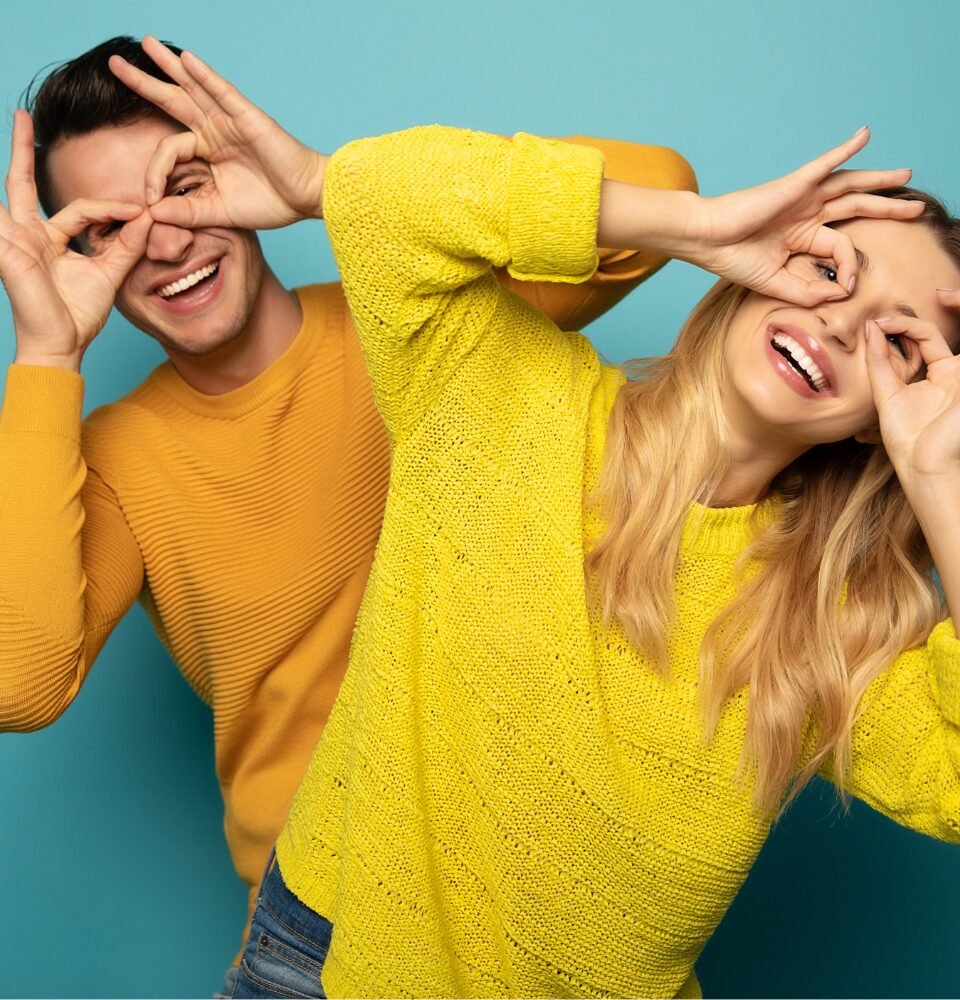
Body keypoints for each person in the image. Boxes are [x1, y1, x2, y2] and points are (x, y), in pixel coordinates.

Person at [45, 46, 960, 1000]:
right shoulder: (500, 389)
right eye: (833, 270)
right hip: (328, 967)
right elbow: (394, 208)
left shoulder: (828, 620)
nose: (841, 323)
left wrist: (937, 477)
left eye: (897, 338)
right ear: (767, 261)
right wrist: (697, 225)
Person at [0, 35, 698, 990]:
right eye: (106, 229)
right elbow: (18, 684)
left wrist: (332, 185)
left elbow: (656, 192)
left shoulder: (422, 311)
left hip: (556, 897)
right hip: (323, 937)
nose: (161, 242)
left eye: (180, 185)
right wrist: (46, 356)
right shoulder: (122, 457)